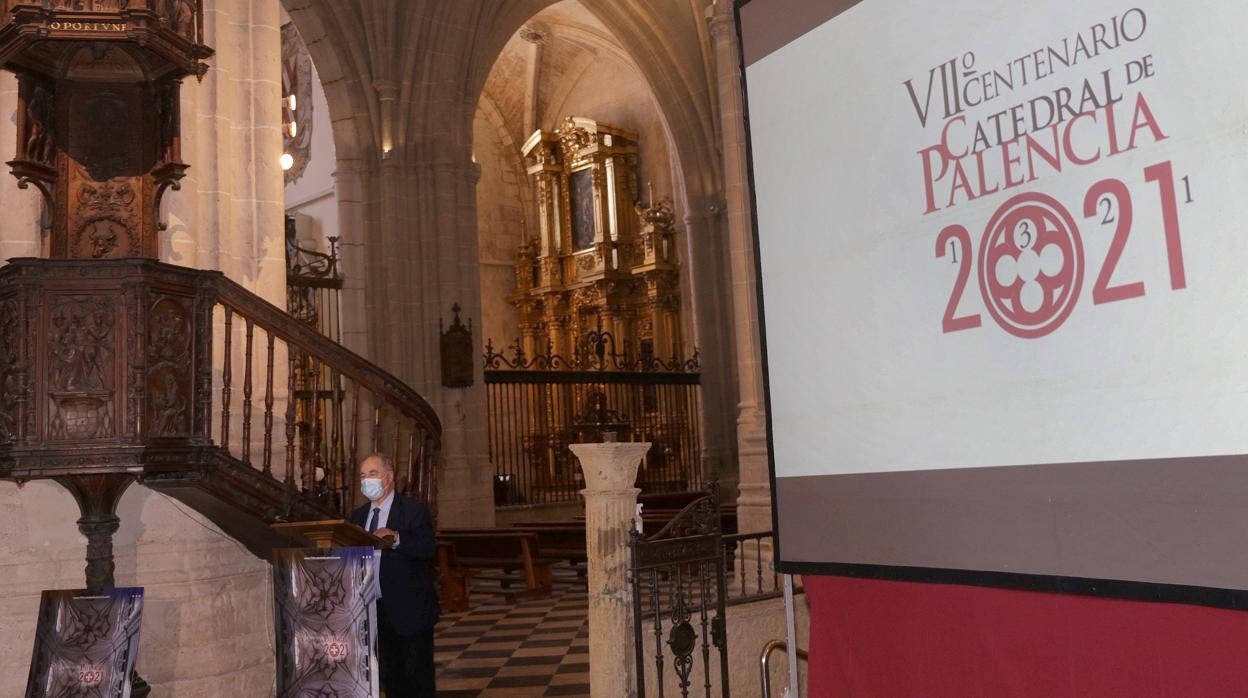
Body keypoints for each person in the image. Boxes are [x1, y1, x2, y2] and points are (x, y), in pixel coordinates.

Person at [349, 453, 439, 696]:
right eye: (363, 475)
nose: (366, 480)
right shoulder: (358, 516)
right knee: (390, 677)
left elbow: (427, 549)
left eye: (372, 474)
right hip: (373, 610)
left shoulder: (412, 510)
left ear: (388, 478)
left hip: (410, 609)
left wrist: (397, 539)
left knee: (417, 678)